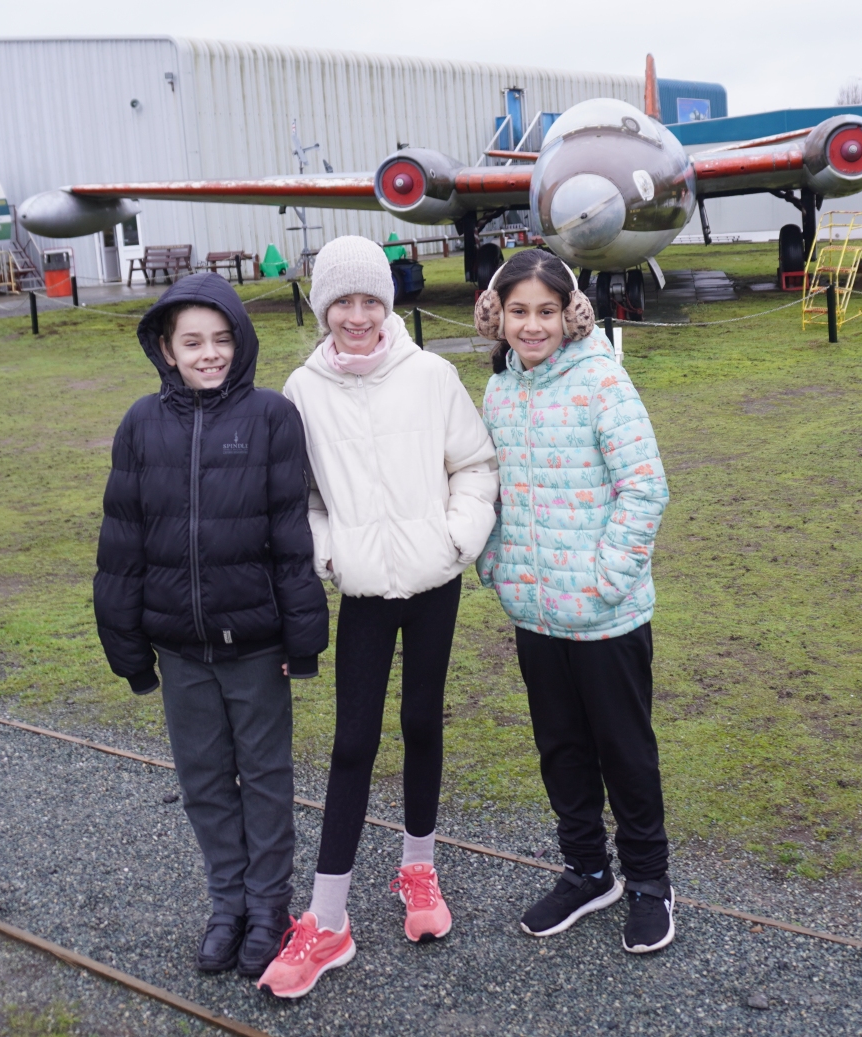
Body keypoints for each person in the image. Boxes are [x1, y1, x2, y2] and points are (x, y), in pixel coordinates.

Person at [259, 234, 498, 1000]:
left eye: (370, 300)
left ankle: (417, 868)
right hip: (362, 591)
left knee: (422, 721)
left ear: (388, 304)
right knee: (353, 741)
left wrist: (455, 538)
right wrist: (333, 554)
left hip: (433, 580)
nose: (357, 316)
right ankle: (328, 919)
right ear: (322, 307)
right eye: (343, 302)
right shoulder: (302, 390)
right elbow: (299, 499)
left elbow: (474, 465)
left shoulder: (430, 375)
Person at [92, 272, 329, 980]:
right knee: (202, 781)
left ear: (240, 341)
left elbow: (290, 536)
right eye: (192, 342)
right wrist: (128, 647)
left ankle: (268, 906)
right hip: (179, 647)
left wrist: (302, 640)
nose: (210, 354)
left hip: (255, 645)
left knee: (265, 778)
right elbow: (121, 542)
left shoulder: (271, 417)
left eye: (222, 339)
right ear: (166, 348)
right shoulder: (141, 424)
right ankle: (227, 905)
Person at [473, 248, 676, 953]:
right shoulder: (500, 390)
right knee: (560, 749)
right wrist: (497, 564)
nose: (532, 326)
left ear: (569, 314)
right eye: (518, 311)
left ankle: (649, 881)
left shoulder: (601, 381)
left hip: (605, 616)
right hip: (535, 612)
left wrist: (605, 579)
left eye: (546, 311)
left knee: (625, 751)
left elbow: (644, 486)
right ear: (498, 316)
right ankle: (587, 870)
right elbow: (491, 488)